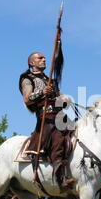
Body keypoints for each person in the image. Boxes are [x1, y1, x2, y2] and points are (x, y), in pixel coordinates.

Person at [19, 51, 73, 191]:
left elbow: (60, 98)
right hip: (46, 118)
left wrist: (64, 100)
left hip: (60, 115)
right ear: (32, 63)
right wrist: (42, 92)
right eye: (40, 58)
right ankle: (59, 178)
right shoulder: (27, 78)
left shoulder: (51, 80)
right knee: (58, 138)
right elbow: (27, 99)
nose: (44, 59)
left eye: (44, 58)